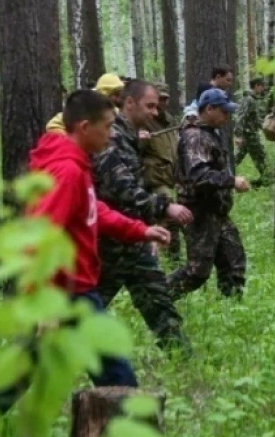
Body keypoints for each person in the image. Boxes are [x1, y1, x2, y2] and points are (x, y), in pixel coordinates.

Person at [28, 89, 173, 386]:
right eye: (107, 127)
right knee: (119, 378)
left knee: (25, 369)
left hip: (75, 289)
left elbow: (96, 211)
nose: (111, 135)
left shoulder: (77, 165)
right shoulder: (68, 171)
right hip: (68, 293)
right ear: (84, 128)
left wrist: (140, 230)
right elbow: (41, 233)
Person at [92, 80, 193, 354]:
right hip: (109, 244)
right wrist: (164, 207)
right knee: (86, 309)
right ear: (129, 103)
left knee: (158, 301)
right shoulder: (111, 139)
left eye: (156, 106)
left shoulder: (130, 137)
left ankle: (182, 357)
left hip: (133, 240)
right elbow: (122, 189)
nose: (154, 112)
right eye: (149, 106)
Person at [168, 88, 251, 301]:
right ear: (209, 108)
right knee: (197, 271)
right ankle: (158, 296)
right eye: (223, 111)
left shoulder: (209, 133)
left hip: (217, 212)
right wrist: (231, 181)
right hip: (200, 213)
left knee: (234, 262)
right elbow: (198, 176)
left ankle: (232, 308)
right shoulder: (195, 137)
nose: (227, 117)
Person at [142, 82, 182, 262]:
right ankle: (172, 259)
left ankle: (166, 254)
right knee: (169, 215)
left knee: (166, 218)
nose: (163, 103)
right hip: (153, 178)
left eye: (165, 99)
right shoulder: (145, 122)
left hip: (169, 175)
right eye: (160, 99)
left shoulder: (169, 119)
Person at [46, 73, 126, 133]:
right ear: (105, 93)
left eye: (121, 95)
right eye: (116, 94)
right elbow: (52, 125)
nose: (119, 99)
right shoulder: (86, 106)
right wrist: (74, 144)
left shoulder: (117, 111)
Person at [234, 77, 274, 187]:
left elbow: (254, 119)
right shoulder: (248, 99)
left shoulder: (253, 99)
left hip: (250, 134)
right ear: (256, 86)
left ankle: (225, 174)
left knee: (237, 157)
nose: (263, 88)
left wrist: (264, 127)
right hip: (249, 135)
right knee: (261, 156)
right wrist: (238, 135)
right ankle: (268, 179)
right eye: (262, 86)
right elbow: (240, 117)